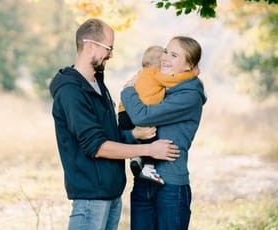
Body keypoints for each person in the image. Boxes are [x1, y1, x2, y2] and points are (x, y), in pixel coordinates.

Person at [49, 18, 181, 230]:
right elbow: (97, 146)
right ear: (90, 46)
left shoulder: (97, 83)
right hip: (91, 197)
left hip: (111, 194)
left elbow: (109, 135)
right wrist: (149, 149)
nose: (111, 54)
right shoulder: (71, 91)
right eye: (108, 48)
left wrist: (134, 134)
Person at [120, 36, 207, 230]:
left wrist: (127, 90)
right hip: (143, 181)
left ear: (188, 66)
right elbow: (134, 126)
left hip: (170, 186)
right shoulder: (162, 89)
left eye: (174, 55)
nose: (165, 58)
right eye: (166, 51)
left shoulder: (189, 96)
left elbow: (141, 116)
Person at [117, 45, 196, 185]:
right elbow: (174, 80)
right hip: (136, 112)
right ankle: (148, 166)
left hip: (123, 112)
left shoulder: (140, 74)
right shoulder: (155, 74)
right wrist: (192, 74)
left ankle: (135, 158)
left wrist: (126, 91)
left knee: (139, 135)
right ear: (159, 63)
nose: (166, 59)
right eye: (164, 55)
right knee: (150, 133)